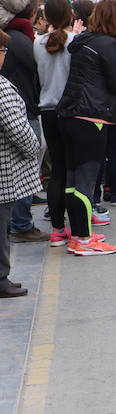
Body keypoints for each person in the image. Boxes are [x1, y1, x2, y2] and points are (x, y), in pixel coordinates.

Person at [57, 0, 116, 255]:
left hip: (69, 115)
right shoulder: (107, 43)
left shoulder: (83, 40)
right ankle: (84, 240)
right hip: (91, 118)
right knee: (86, 181)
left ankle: (78, 235)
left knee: (72, 181)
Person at [2, 0, 47, 243]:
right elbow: (38, 70)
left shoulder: (15, 35)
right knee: (25, 166)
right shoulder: (20, 39)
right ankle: (21, 224)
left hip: (26, 106)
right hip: (24, 109)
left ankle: (19, 222)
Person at [0, 28, 41, 297]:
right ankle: (1, 278)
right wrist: (34, 149)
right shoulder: (1, 87)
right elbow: (17, 128)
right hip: (3, 170)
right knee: (1, 227)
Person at [35, 0, 78, 248]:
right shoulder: (75, 41)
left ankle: (57, 229)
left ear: (46, 17)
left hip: (47, 111)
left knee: (58, 170)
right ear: (70, 15)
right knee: (74, 169)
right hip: (71, 111)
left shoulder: (36, 43)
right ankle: (77, 227)